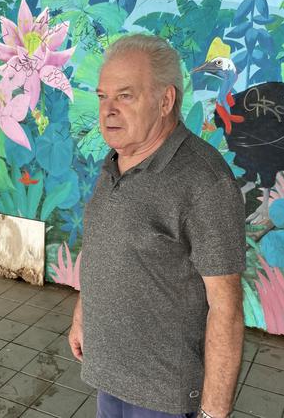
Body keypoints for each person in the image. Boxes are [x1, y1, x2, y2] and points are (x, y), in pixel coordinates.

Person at [69, 34, 246, 418]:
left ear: (166, 101)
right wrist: (83, 313)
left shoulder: (203, 180)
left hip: (162, 395)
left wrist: (214, 413)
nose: (108, 111)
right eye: (102, 97)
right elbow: (105, 248)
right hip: (109, 375)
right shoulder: (113, 161)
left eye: (125, 96)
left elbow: (226, 307)